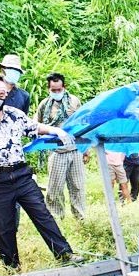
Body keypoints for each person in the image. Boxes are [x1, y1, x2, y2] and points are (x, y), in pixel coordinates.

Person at [0, 78, 82, 269]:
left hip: (21, 174)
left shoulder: (14, 114)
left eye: (1, 95)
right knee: (3, 224)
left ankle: (64, 253)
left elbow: (34, 127)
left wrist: (56, 130)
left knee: (42, 214)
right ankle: (11, 265)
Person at [35, 72, 85, 219]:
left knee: (78, 186)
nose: (57, 93)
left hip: (75, 149)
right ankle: (57, 217)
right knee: (55, 188)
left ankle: (80, 217)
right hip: (56, 151)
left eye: (59, 89)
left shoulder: (74, 101)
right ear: (48, 89)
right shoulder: (44, 105)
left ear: (64, 87)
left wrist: (85, 150)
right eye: (53, 90)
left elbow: (82, 123)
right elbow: (37, 125)